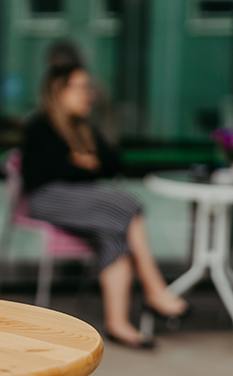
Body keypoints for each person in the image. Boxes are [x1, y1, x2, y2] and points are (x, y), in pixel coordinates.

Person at [20, 62, 188, 348]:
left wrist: (83, 162)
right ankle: (154, 288)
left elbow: (112, 163)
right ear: (60, 91)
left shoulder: (84, 129)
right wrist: (82, 165)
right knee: (126, 202)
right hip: (47, 200)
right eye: (82, 87)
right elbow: (51, 173)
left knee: (114, 231)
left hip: (84, 204)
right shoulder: (41, 126)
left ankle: (118, 324)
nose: (89, 95)